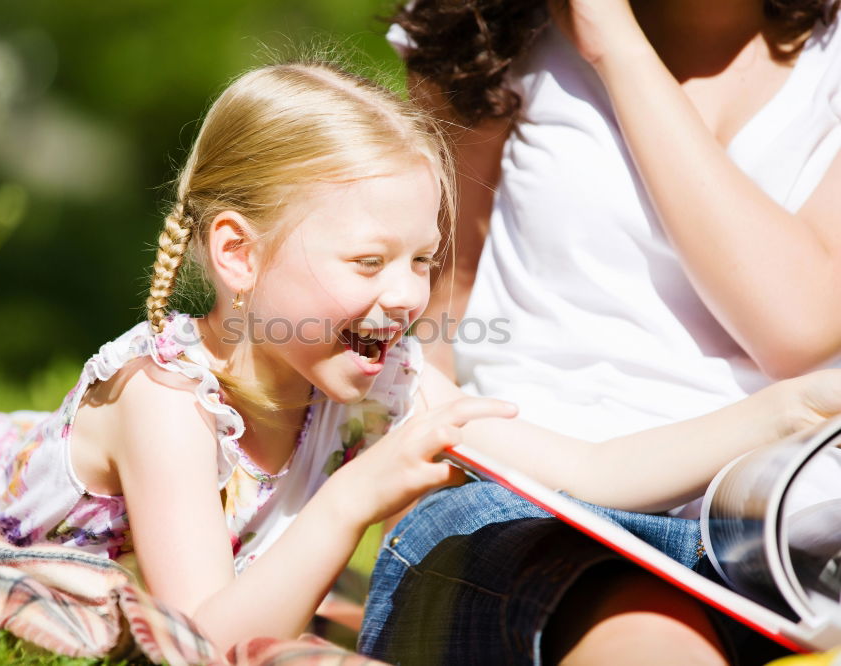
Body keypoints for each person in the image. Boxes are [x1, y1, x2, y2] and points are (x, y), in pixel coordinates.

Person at [0, 60, 840, 660]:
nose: (406, 297)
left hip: (90, 483)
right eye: (367, 262)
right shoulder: (166, 401)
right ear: (235, 255)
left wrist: (783, 413)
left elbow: (581, 475)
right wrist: (354, 499)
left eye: (420, 261)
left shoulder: (381, 374)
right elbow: (204, 641)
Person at [359, 1, 841, 663]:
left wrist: (613, 41)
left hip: (785, 537)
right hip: (536, 499)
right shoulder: (485, 25)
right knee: (647, 634)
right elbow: (434, 305)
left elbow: (798, 321)